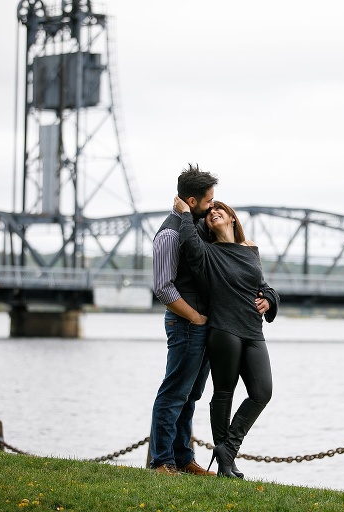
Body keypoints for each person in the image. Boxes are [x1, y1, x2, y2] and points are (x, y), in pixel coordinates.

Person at [173, 195, 279, 478]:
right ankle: (225, 466)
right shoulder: (207, 251)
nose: (214, 212)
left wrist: (269, 299)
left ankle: (226, 449)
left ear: (232, 217)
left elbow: (262, 285)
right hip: (223, 329)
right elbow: (188, 242)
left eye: (220, 209)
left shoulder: (250, 248)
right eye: (210, 211)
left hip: (253, 331)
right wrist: (185, 213)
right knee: (224, 394)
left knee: (262, 392)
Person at [149, 164, 218, 476]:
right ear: (192, 202)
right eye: (208, 201)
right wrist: (195, 317)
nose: (212, 206)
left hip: (199, 325)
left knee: (190, 395)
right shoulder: (169, 234)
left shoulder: (194, 227)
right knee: (173, 393)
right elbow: (163, 287)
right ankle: (161, 461)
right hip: (186, 325)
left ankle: (183, 459)